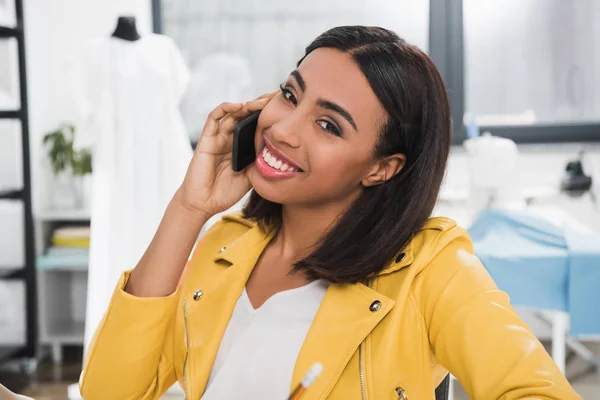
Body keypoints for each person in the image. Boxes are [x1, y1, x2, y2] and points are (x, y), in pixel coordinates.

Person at [78, 26, 580, 400]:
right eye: (290, 95)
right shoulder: (226, 247)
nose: (283, 129)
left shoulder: (430, 268)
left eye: (328, 125)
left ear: (382, 168)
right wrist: (189, 208)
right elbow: (108, 393)